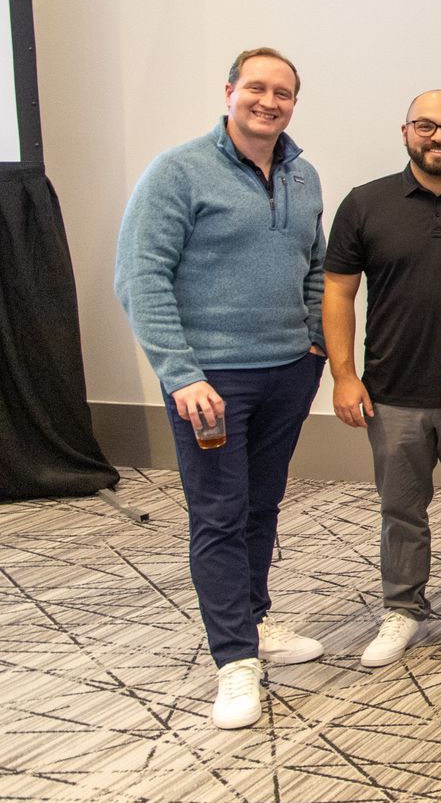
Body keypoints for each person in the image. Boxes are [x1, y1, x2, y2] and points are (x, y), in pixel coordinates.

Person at [113, 47, 328, 729]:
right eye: (257, 88)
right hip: (212, 383)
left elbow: (316, 263)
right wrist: (180, 372)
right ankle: (235, 660)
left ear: (295, 102)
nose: (270, 101)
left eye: (283, 92)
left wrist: (314, 343)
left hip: (288, 373)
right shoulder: (178, 172)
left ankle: (255, 623)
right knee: (218, 515)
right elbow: (140, 277)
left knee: (261, 506)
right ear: (230, 91)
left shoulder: (303, 173)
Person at [324, 91, 441, 668]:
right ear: (405, 132)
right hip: (392, 391)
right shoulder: (366, 203)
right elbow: (339, 292)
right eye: (426, 126)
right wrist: (344, 376)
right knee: (401, 508)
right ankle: (402, 608)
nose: (438, 137)